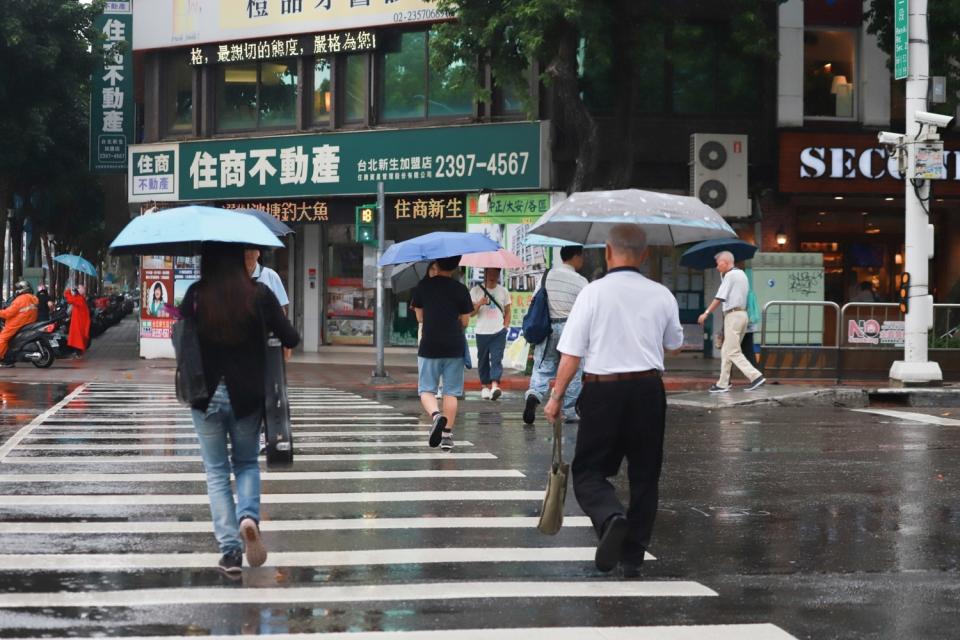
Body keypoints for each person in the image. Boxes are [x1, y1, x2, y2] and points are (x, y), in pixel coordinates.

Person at [543, 224, 683, 578]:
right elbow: (675, 343)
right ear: (645, 254)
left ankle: (610, 517)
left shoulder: (593, 293)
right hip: (648, 390)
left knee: (589, 472)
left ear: (607, 252)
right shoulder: (662, 294)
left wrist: (556, 396)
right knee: (645, 475)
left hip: (603, 390)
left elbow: (571, 353)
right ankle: (633, 556)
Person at [179, 243, 300, 575]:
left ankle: (230, 552)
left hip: (205, 395)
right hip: (246, 395)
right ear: (240, 260)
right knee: (246, 463)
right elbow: (291, 337)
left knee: (216, 472)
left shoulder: (195, 294)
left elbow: (182, 339)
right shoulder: (259, 294)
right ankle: (248, 516)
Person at [410, 255, 474, 451]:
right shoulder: (461, 289)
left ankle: (436, 416)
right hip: (453, 345)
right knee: (451, 392)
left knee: (427, 389)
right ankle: (447, 436)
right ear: (455, 267)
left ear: (436, 264)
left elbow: (420, 318)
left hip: (429, 345)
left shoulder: (423, 286)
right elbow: (464, 322)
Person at [523, 245, 589, 424]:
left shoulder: (547, 275)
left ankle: (534, 394)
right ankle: (569, 411)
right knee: (573, 370)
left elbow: (535, 298)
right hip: (571, 329)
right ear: (575, 256)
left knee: (542, 366)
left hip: (548, 327)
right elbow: (587, 309)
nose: (582, 259)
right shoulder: (581, 281)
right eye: (581, 256)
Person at [698, 251, 766, 393]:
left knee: (733, 351)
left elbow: (719, 297)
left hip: (733, 316)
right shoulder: (741, 274)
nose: (717, 267)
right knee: (726, 351)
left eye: (718, 264)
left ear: (726, 262)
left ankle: (756, 376)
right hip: (742, 315)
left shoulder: (730, 275)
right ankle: (723, 383)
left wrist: (706, 313)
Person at [470, 267, 511, 400]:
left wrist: (505, 327)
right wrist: (480, 303)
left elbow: (508, 312)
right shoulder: (476, 290)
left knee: (496, 359)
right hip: (481, 332)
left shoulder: (503, 291)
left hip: (498, 332)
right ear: (485, 273)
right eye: (490, 272)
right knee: (482, 360)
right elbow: (471, 313)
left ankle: (494, 385)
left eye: (496, 272)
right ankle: (485, 387)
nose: (493, 275)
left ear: (499, 274)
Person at [0, 281, 39, 367]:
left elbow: (8, 313)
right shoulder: (33, 298)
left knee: (2, 338)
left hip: (16, 323)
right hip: (29, 321)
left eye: (18, 289)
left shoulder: (20, 299)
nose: (17, 290)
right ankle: (8, 358)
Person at [64, 285, 91, 359]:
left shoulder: (79, 299)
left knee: (77, 339)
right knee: (78, 339)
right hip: (79, 322)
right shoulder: (81, 299)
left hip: (78, 323)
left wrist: (68, 291)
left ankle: (78, 354)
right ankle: (78, 353)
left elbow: (70, 300)